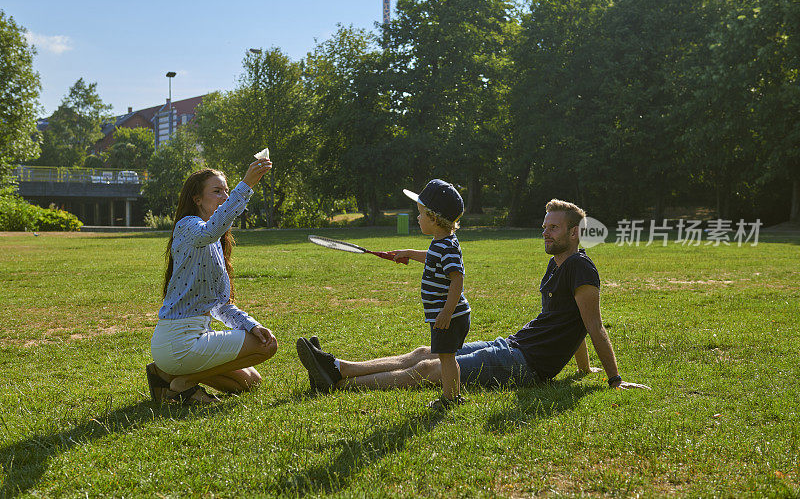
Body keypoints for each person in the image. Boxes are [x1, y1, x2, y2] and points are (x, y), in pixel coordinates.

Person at [295, 199, 650, 396]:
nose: (545, 232)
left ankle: (341, 384)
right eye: (544, 226)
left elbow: (592, 325)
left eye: (553, 227)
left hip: (526, 364)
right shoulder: (558, 265)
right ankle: (337, 367)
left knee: (430, 369)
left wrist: (614, 379)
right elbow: (569, 323)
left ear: (574, 234)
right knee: (426, 352)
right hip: (513, 345)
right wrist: (582, 369)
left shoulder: (581, 269)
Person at [300, 179, 471, 410]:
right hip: (446, 314)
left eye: (420, 214)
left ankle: (451, 399)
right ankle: (452, 396)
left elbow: (457, 279)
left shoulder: (447, 246)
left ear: (433, 218)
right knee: (445, 356)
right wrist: (409, 253)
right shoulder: (442, 242)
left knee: (447, 358)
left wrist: (446, 312)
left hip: (448, 315)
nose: (417, 218)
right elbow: (433, 257)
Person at [146, 159, 278, 405]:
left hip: (187, 343)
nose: (225, 196)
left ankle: (164, 375)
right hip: (180, 341)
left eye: (226, 190)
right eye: (217, 191)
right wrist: (247, 184)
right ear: (197, 199)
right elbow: (210, 230)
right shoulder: (188, 226)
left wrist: (251, 325)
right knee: (267, 348)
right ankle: (183, 384)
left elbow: (221, 306)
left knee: (250, 382)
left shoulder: (214, 241)